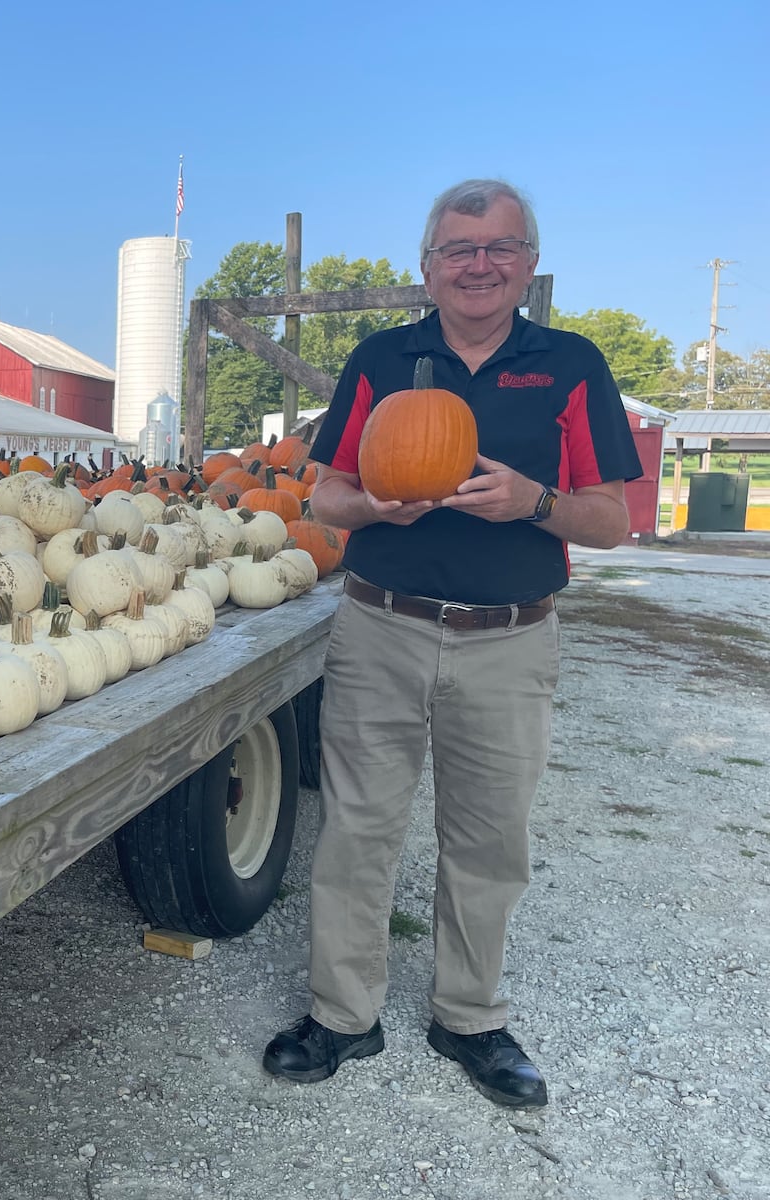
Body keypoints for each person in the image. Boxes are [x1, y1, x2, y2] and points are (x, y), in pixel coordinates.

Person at [261, 179, 641, 1108]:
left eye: (499, 248)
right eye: (459, 250)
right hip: (383, 623)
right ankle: (343, 1015)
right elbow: (324, 495)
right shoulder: (384, 358)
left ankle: (469, 1017)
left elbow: (612, 520)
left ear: (528, 263)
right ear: (426, 267)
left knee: (488, 839)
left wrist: (533, 502)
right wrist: (371, 504)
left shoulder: (571, 364)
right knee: (358, 830)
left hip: (508, 641)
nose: (479, 266)